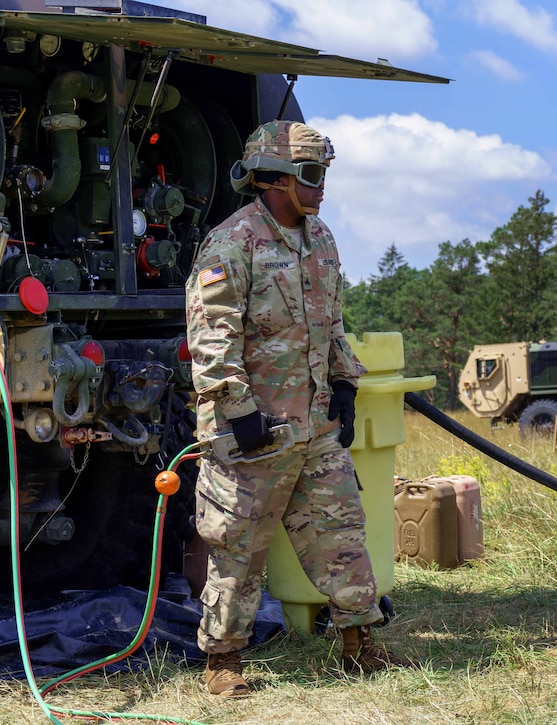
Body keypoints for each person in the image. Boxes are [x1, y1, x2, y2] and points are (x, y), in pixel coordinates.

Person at [185, 120, 409, 697]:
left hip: (312, 426)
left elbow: (331, 323)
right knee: (238, 543)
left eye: (325, 173)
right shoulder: (232, 243)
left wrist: (346, 383)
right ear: (275, 180)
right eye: (311, 175)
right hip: (251, 433)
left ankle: (360, 642)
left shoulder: (322, 240)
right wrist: (238, 412)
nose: (321, 186)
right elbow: (212, 337)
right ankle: (225, 660)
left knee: (341, 532)